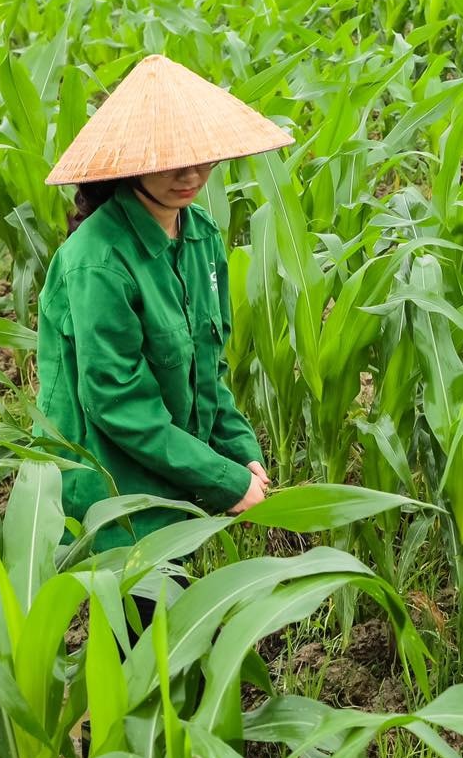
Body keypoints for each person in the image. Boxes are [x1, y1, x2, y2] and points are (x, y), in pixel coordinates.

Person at [36, 54, 294, 565]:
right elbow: (118, 407)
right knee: (141, 632)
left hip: (176, 478)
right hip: (118, 498)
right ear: (132, 161)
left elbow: (209, 372)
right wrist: (221, 478)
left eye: (201, 156)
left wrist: (241, 452)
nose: (191, 173)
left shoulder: (200, 237)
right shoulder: (98, 263)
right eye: (170, 160)